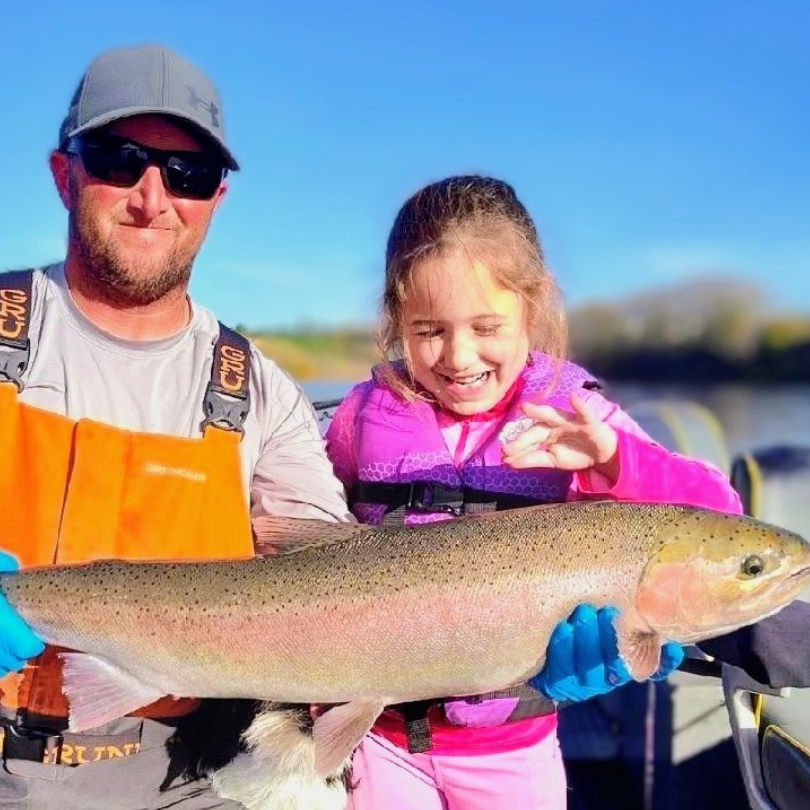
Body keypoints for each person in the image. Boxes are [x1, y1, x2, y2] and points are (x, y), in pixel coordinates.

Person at [0, 43, 353, 809]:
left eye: (186, 173)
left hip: (176, 774)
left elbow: (342, 588)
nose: (152, 196)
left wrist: (499, 661)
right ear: (65, 176)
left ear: (215, 200)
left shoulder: (263, 394)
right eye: (118, 159)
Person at [324, 174, 745, 810]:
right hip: (378, 738)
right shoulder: (360, 418)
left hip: (511, 747)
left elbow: (721, 516)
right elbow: (309, 529)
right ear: (396, 321)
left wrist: (611, 461)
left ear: (533, 305)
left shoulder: (575, 417)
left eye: (486, 326)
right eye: (429, 329)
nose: (459, 357)